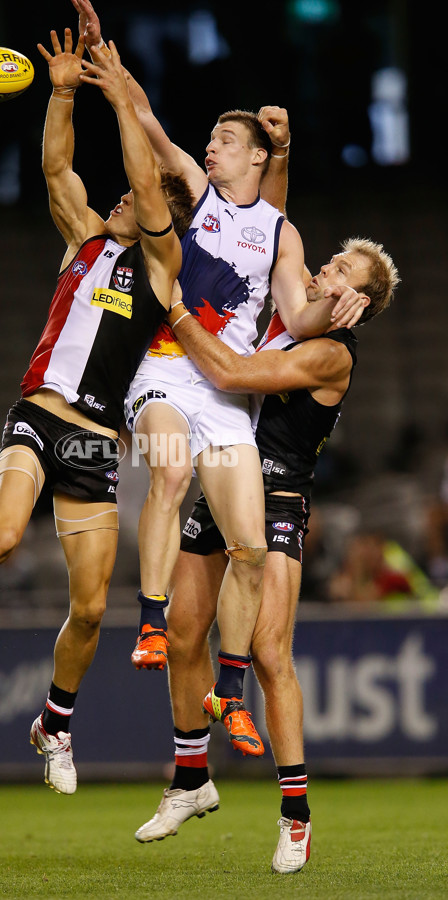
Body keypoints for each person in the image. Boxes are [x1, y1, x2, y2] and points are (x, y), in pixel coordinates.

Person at [0, 25, 193, 797]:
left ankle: (54, 725)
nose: (125, 196)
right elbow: (57, 166)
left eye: (139, 194)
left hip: (94, 442)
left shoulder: (161, 269)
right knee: (2, 534)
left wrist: (126, 116)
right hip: (37, 415)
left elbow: (148, 192)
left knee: (89, 609)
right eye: (123, 191)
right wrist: (61, 92)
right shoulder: (84, 241)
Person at [71, 0, 366, 758]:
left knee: (250, 550)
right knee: (168, 475)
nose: (212, 146)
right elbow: (153, 129)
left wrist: (336, 303)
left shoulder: (281, 232)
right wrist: (111, 70)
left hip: (228, 395)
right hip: (169, 367)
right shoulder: (197, 197)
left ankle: (230, 694)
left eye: (226, 140)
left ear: (257, 160)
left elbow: (298, 316)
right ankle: (150, 624)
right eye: (213, 139)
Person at [134, 237, 400, 874]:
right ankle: (192, 778)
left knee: (270, 651)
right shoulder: (290, 303)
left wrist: (174, 310)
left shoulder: (333, 354)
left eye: (338, 272)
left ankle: (296, 817)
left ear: (353, 301)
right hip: (229, 483)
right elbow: (275, 224)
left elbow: (230, 374)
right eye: (330, 259)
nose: (322, 270)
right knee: (182, 631)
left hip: (278, 499)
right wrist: (277, 149)